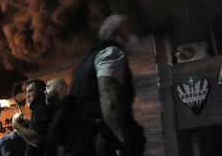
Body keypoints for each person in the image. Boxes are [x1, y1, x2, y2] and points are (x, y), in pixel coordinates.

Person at [56, 14, 145, 156]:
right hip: (103, 142)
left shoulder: (86, 62)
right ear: (117, 32)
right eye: (130, 30)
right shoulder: (110, 53)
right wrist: (122, 141)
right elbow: (110, 100)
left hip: (84, 141)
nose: (134, 36)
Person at [12, 79, 52, 156]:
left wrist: (16, 125)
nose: (27, 96)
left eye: (30, 91)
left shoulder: (40, 108)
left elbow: (37, 140)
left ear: (41, 91)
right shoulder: (41, 107)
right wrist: (28, 125)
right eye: (26, 92)